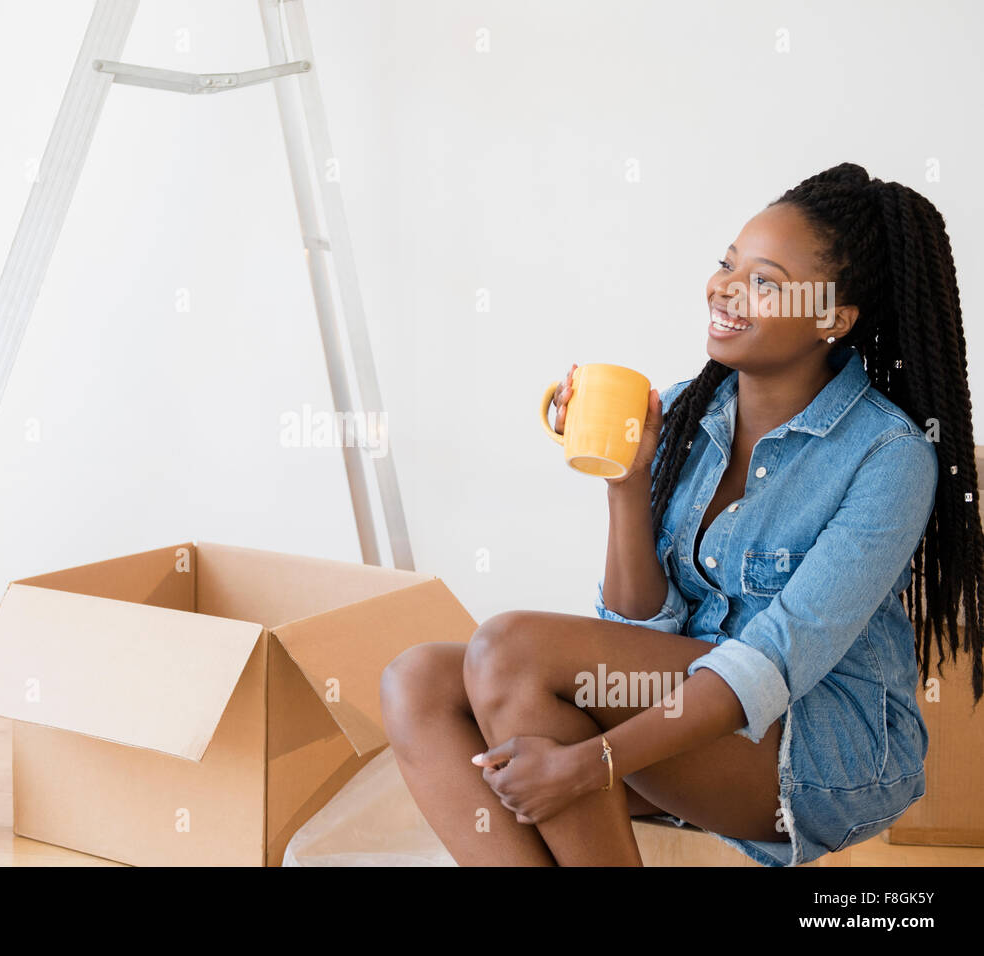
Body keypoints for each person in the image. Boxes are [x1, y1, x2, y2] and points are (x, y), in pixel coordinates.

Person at [380, 162, 983, 866]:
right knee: (419, 681)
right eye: (728, 265)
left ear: (833, 317)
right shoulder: (688, 411)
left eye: (764, 282)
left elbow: (772, 665)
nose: (726, 289)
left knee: (510, 652)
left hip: (821, 752)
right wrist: (625, 484)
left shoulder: (888, 456)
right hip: (692, 719)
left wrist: (593, 761)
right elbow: (639, 633)